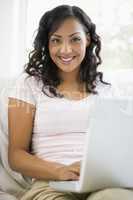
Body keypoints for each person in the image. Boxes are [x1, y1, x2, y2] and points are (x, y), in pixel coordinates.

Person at [8, 4, 133, 200]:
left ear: (87, 40)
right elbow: (16, 155)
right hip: (51, 183)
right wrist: (60, 170)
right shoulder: (28, 84)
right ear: (46, 44)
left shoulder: (106, 87)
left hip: (101, 183)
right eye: (56, 40)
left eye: (75, 39)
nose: (65, 50)